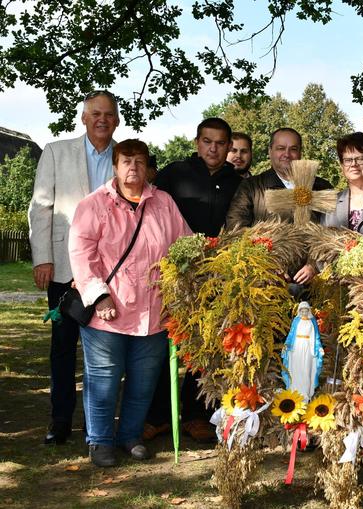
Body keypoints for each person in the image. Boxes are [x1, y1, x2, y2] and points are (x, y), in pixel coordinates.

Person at [68, 139, 191, 467]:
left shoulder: (163, 202)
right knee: (104, 380)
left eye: (139, 161)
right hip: (108, 312)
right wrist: (99, 296)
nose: (132, 168)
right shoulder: (94, 205)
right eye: (126, 161)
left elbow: (185, 245)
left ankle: (131, 435)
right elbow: (81, 256)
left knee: (143, 381)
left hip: (154, 312)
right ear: (115, 165)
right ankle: (100, 441)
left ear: (148, 166)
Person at [28, 90, 119, 445]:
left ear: (116, 120)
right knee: (63, 348)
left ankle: (96, 423)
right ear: (83, 117)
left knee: (105, 353)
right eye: (95, 113)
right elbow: (41, 207)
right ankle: (60, 420)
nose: (102, 119)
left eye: (108, 114)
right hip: (65, 268)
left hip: (110, 272)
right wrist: (43, 258)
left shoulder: (125, 158)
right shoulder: (56, 152)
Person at [145, 117, 242, 443]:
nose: (213, 148)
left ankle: (197, 414)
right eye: (207, 141)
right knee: (164, 344)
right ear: (197, 142)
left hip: (217, 277)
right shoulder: (174, 174)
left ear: (229, 146)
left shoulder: (238, 182)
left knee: (207, 348)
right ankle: (157, 415)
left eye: (220, 143)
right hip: (175, 273)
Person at [226, 127, 333, 286]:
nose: (287, 154)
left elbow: (331, 231)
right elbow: (236, 229)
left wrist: (314, 265)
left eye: (293, 149)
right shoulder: (252, 187)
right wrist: (267, 263)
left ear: (300, 153)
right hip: (267, 284)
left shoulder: (321, 187)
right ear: (270, 151)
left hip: (315, 284)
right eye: (280, 148)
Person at [322, 132, 363, 236]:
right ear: (342, 166)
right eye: (348, 160)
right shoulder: (330, 204)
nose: (354, 164)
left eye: (360, 159)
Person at [281, 302, 324, 401]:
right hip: (296, 347)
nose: (304, 312)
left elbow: (316, 336)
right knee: (295, 369)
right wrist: (286, 345)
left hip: (308, 348)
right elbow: (291, 334)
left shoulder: (312, 321)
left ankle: (305, 394)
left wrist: (319, 347)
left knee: (306, 370)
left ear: (309, 311)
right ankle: (294, 392)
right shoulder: (296, 321)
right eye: (302, 310)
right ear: (299, 311)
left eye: (306, 310)